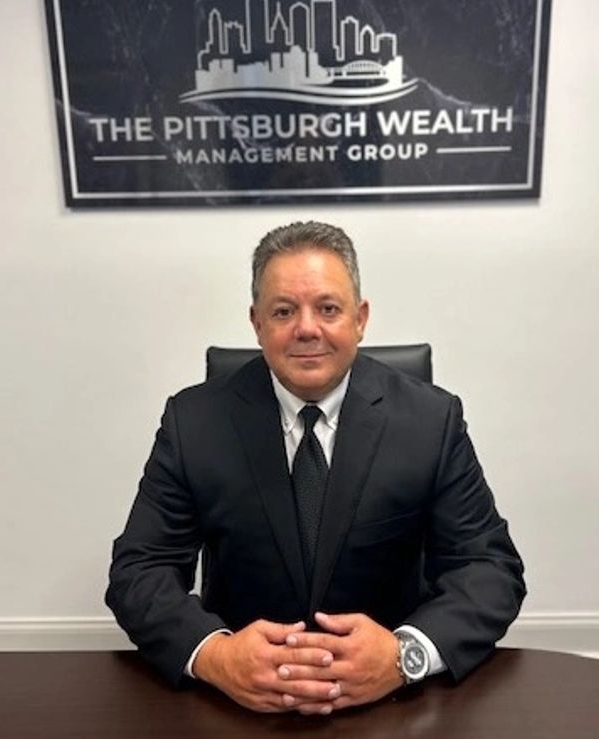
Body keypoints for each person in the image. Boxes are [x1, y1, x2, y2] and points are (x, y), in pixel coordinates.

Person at [106, 220, 525, 716]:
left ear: (360, 318)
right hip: (238, 707)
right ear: (256, 322)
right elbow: (140, 569)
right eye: (284, 311)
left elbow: (489, 568)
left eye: (327, 308)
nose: (307, 328)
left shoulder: (431, 420)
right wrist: (216, 656)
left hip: (392, 704)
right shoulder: (193, 421)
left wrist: (404, 654)